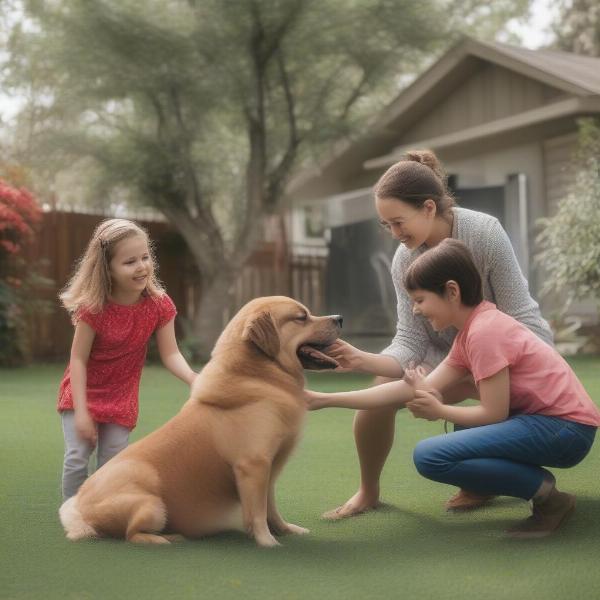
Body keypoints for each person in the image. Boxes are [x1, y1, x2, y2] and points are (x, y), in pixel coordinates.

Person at [306, 239, 599, 538]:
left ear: (452, 291)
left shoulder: (485, 332)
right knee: (460, 426)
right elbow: (409, 392)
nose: (415, 310)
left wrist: (439, 410)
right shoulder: (471, 333)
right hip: (554, 425)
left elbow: (494, 412)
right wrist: (325, 399)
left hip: (566, 431)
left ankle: (550, 499)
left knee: (429, 456)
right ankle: (484, 486)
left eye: (419, 299)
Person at [321, 149, 554, 519]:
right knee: (379, 386)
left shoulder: (483, 233)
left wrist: (478, 365)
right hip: (449, 353)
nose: (395, 235)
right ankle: (368, 490)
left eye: (399, 222)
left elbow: (521, 314)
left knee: (458, 394)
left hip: (508, 349)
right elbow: (411, 341)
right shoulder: (403, 260)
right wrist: (362, 359)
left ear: (429, 207)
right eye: (387, 226)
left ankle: (490, 476)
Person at [57, 218, 197, 500]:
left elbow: (171, 353)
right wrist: (82, 412)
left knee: (112, 461)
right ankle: (73, 514)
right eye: (130, 261)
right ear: (107, 268)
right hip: (82, 394)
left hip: (122, 396)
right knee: (77, 457)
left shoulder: (158, 305)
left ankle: (103, 512)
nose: (142, 266)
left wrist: (195, 379)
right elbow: (78, 360)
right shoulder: (93, 308)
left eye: (145, 257)